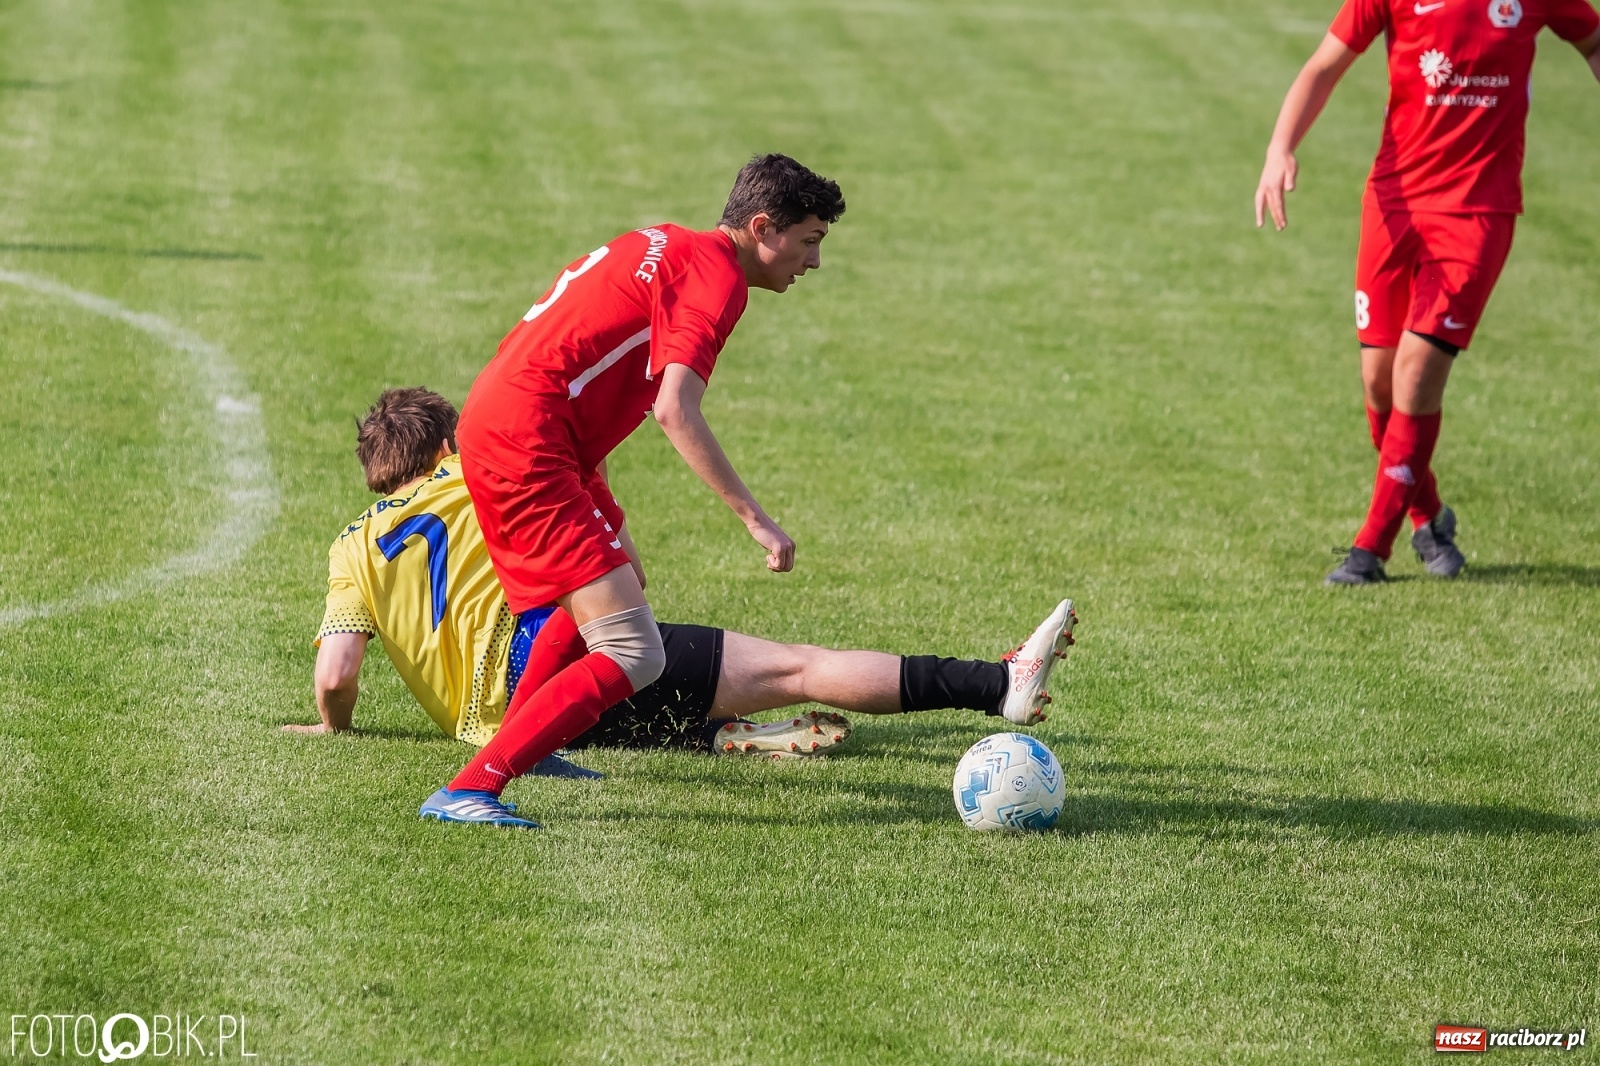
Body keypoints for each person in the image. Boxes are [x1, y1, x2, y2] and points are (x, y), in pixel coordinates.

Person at [300, 389, 1078, 826]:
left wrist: (332, 726)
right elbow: (619, 566)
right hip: (559, 660)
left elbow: (337, 674)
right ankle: (996, 682)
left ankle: (710, 735)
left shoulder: (349, 549)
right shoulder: (483, 471)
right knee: (796, 666)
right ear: (446, 444)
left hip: (503, 722)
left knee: (637, 701)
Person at [425, 153, 847, 827]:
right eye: (810, 242)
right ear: (763, 227)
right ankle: (473, 787)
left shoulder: (667, 242)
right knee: (633, 650)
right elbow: (675, 409)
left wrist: (609, 514)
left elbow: (584, 367)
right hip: (529, 444)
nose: (814, 262)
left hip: (524, 428)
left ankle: (530, 746)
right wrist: (755, 519)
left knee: (613, 584)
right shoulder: (718, 281)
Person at [1255, 0, 1600, 585]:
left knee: (1416, 373)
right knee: (1379, 381)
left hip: (1476, 215)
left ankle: (1370, 550)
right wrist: (1279, 147)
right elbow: (1324, 65)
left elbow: (1593, 41)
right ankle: (1428, 515)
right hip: (1392, 204)